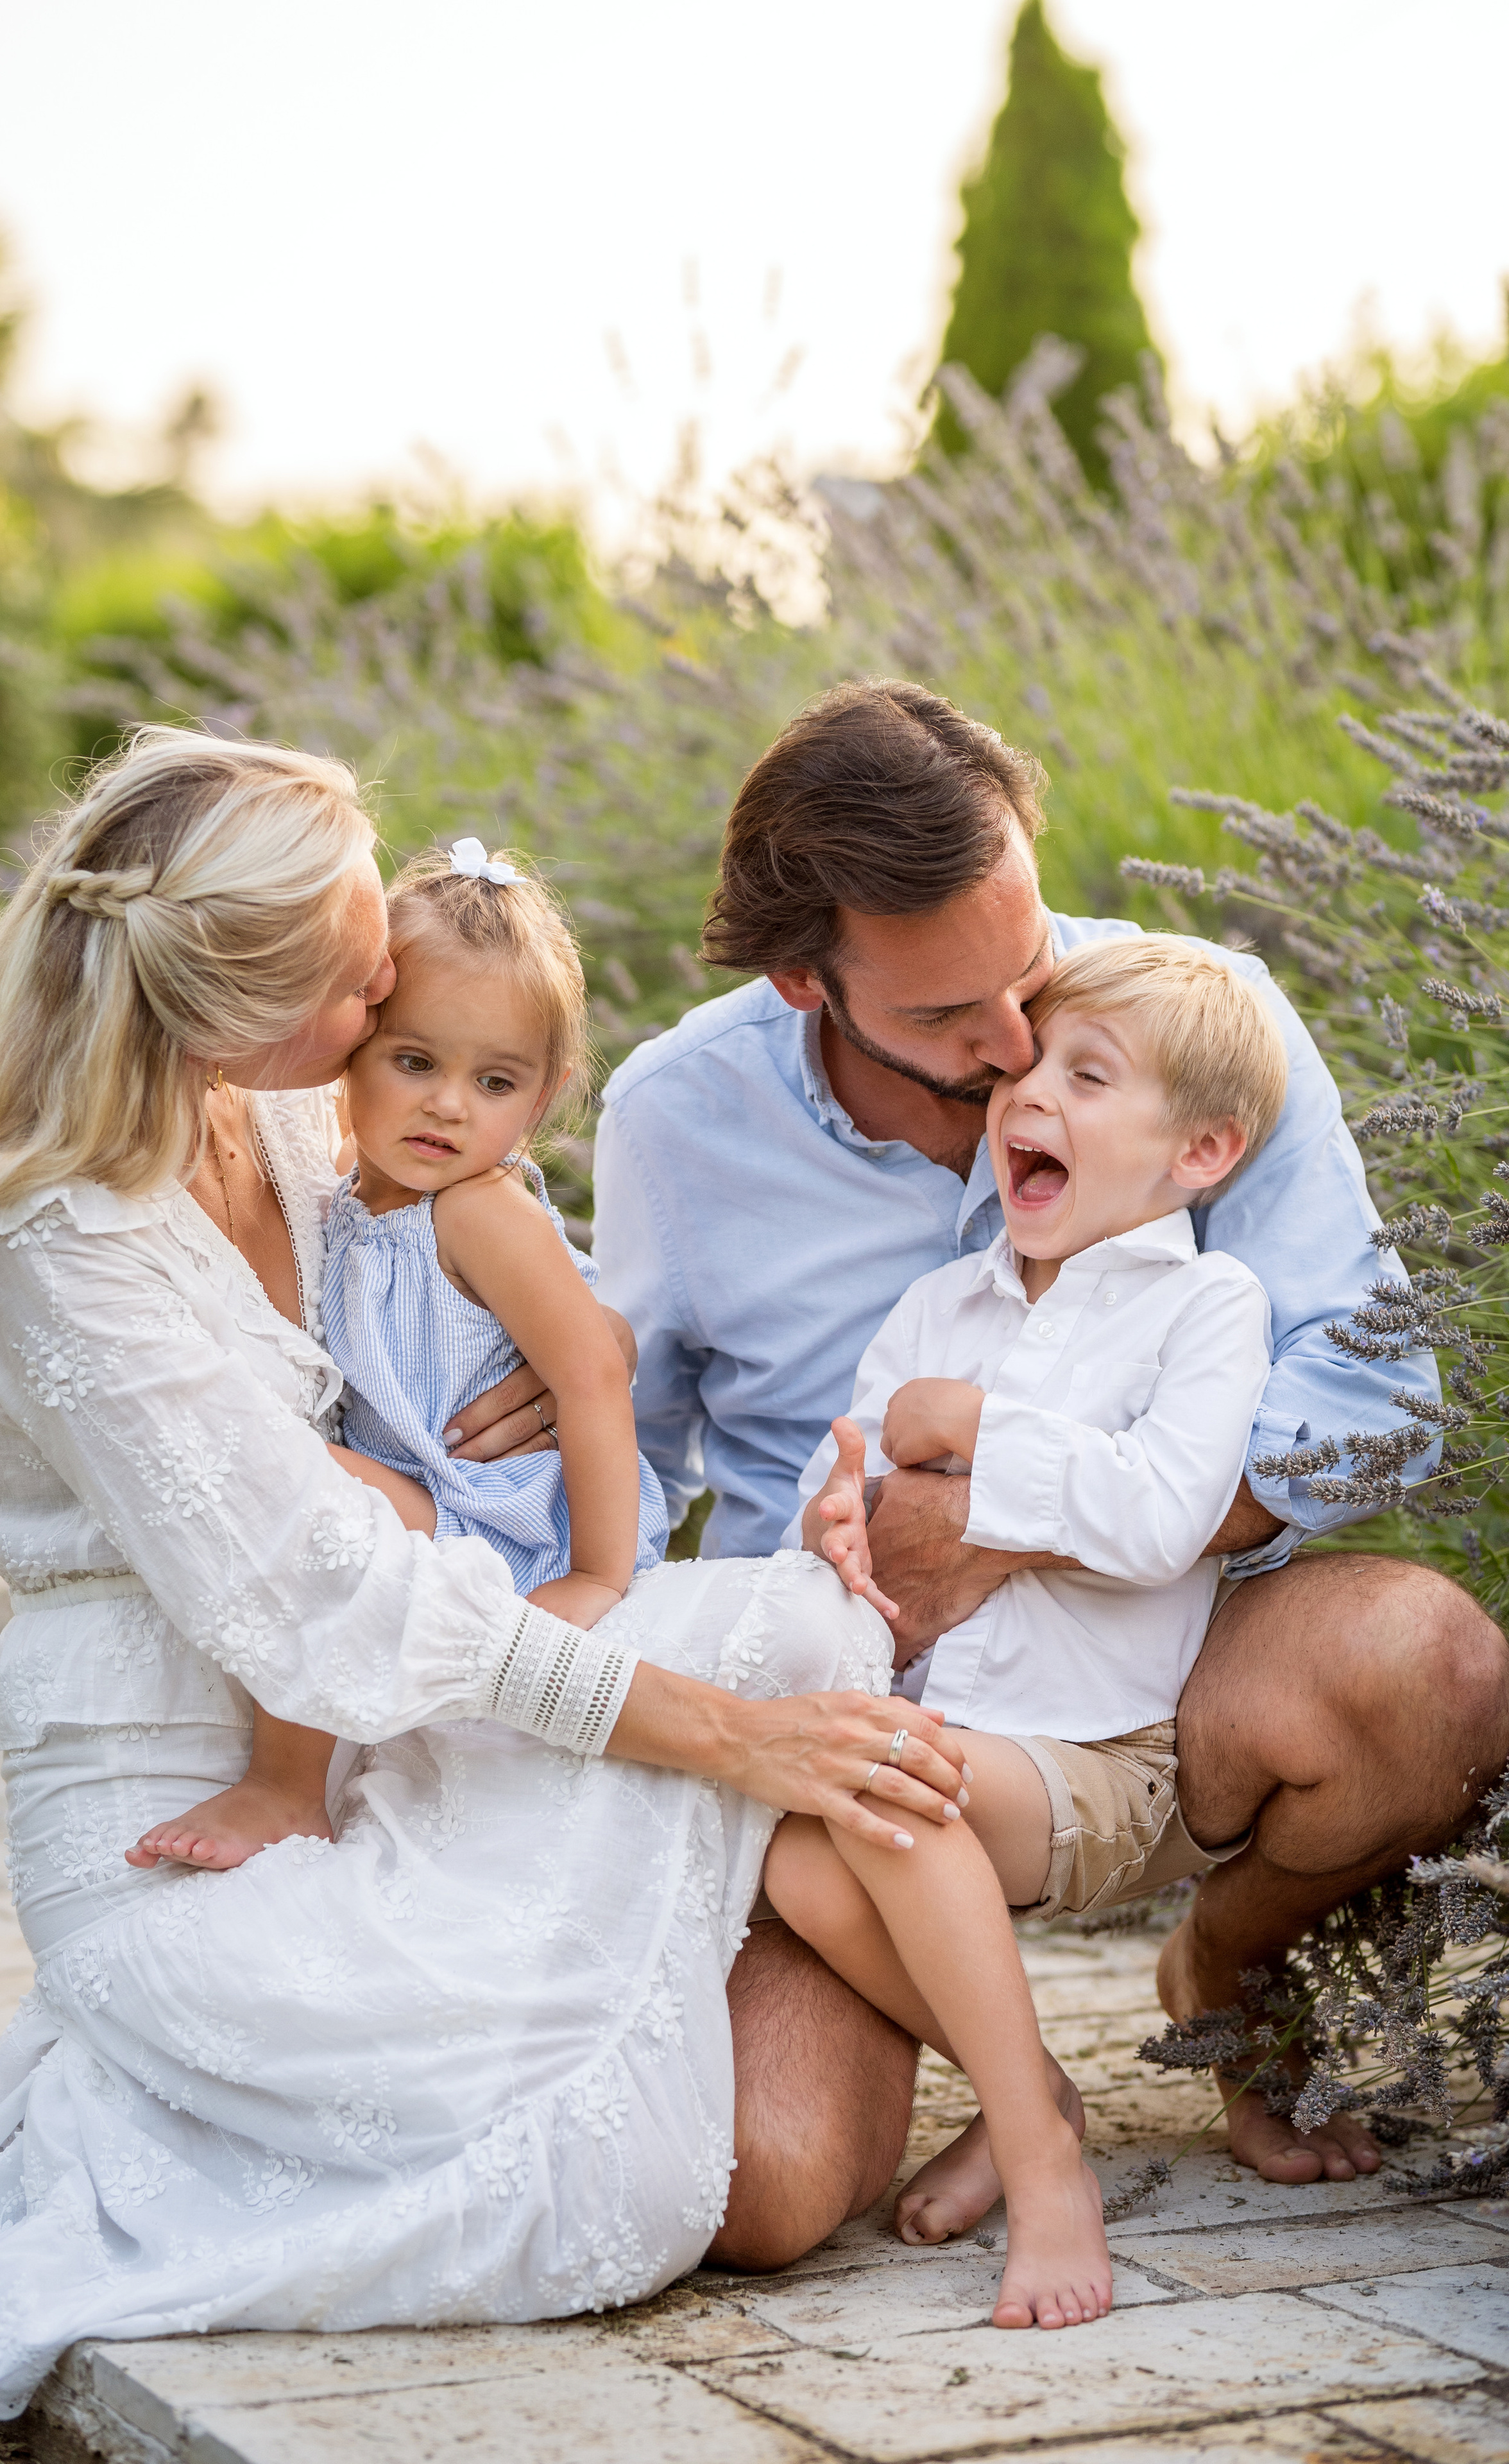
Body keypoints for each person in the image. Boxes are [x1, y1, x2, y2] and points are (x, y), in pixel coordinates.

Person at [0, 728, 962, 2463]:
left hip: (410, 1718)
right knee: (681, 2174)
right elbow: (315, 1589)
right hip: (201, 1824)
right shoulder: (48, 1229)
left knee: (803, 1622)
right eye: (360, 974)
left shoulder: (296, 1109)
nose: (394, 976)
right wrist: (709, 1735)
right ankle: (792, 1957)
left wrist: (551, 1357)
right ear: (240, 1012)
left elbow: (482, 1266)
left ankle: (826, 1976)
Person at [593, 677, 1509, 2254]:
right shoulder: (678, 1119)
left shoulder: (1197, 1023)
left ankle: (1217, 1972)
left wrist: (1008, 1530)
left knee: (1427, 1665)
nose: (1018, 1047)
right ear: (811, 984)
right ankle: (1015, 2082)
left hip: (1161, 1678)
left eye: (1027, 975)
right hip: (870, 1709)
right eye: (952, 1021)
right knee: (760, 2190)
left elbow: (1377, 1386)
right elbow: (626, 1453)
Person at [771, 935, 1283, 2264]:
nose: (1028, 1098)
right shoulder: (939, 1304)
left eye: (1088, 1076)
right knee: (794, 1849)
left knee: (888, 1789)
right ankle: (1028, 2092)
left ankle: (1043, 2155)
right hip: (937, 1755)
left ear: (1198, 1154)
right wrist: (834, 1533)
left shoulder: (1203, 1306)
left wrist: (982, 1431)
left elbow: (1161, 1518)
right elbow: (843, 1510)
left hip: (1097, 1760)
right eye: (1027, 1068)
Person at [125, 840, 669, 1872]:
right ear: (350, 1054)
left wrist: (599, 1574)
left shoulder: (478, 1210)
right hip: (437, 1493)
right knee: (317, 1494)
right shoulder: (346, 1196)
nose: (450, 1105)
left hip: (503, 1512)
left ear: (546, 1094)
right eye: (415, 1062)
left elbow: (593, 1370)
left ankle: (286, 1790)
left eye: (495, 1080)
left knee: (311, 1486)